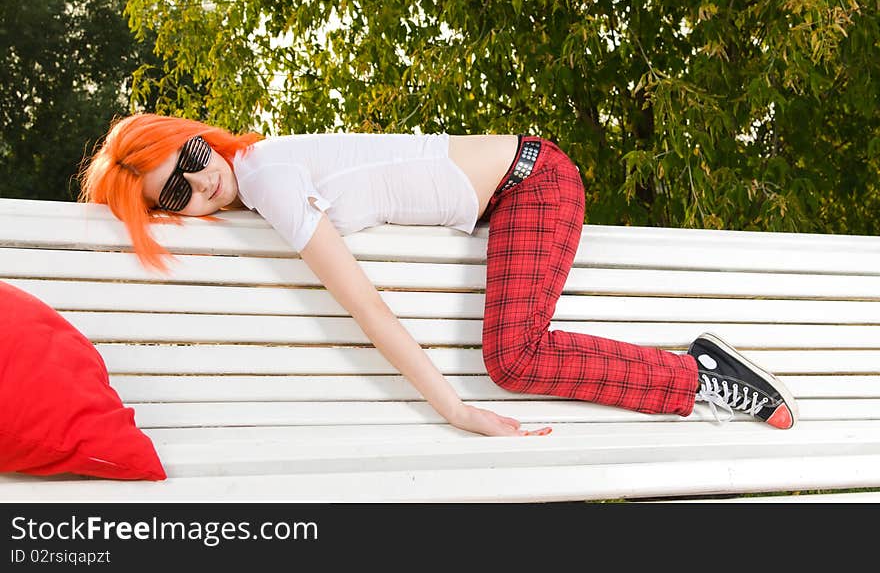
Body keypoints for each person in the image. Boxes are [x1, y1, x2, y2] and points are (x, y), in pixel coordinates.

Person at [77, 113, 798, 438]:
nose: (201, 184)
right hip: (515, 193)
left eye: (192, 156)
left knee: (511, 358)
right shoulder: (265, 179)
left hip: (532, 183)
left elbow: (365, 307)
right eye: (174, 194)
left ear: (197, 134)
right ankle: (697, 375)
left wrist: (456, 410)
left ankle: (701, 376)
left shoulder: (269, 175)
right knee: (512, 353)